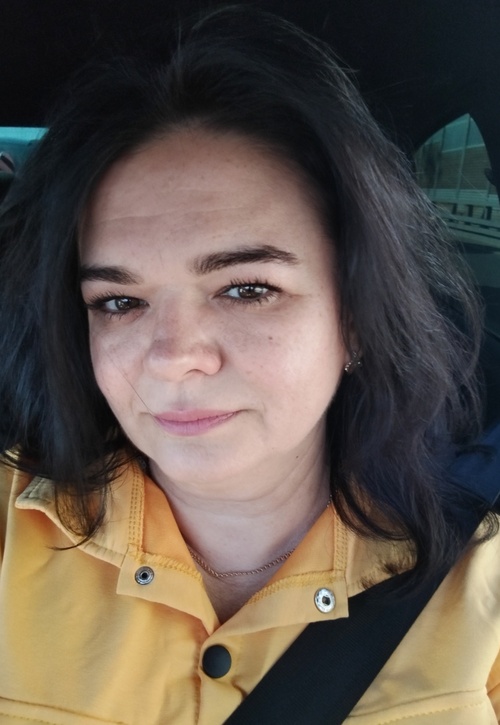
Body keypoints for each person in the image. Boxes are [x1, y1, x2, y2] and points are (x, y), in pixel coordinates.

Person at [0, 6, 499, 724]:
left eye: (246, 289)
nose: (174, 357)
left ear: (357, 318)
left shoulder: (481, 600)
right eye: (119, 302)